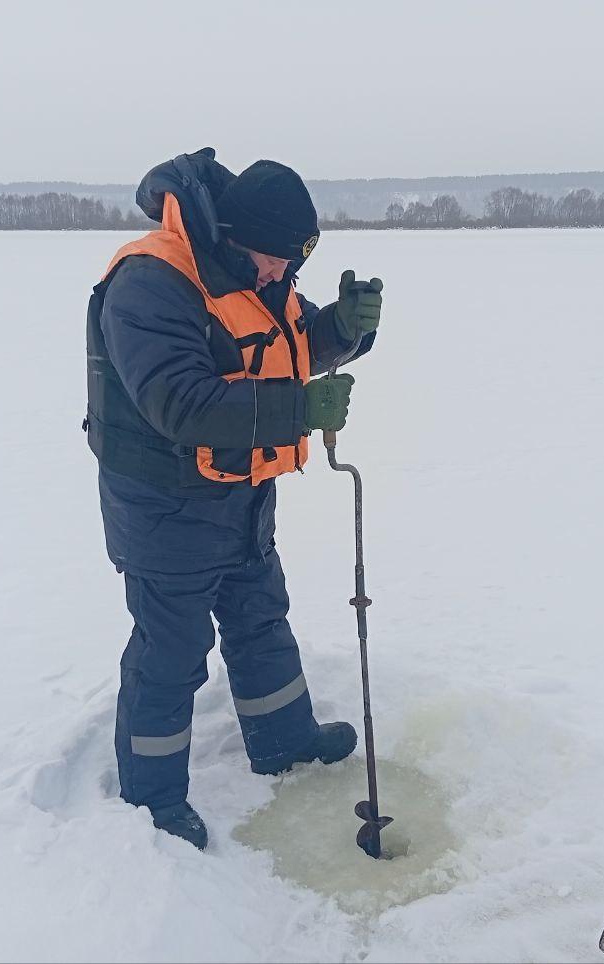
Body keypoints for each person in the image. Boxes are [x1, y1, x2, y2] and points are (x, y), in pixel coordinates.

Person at [83, 148, 384, 850]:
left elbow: (289, 343)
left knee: (258, 615)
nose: (285, 276)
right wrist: (297, 409)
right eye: (277, 262)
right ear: (236, 236)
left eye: (293, 266)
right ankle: (151, 803)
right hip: (164, 503)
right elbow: (180, 402)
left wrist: (343, 326)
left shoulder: (252, 268)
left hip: (240, 489)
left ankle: (284, 739)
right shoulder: (152, 282)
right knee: (172, 649)